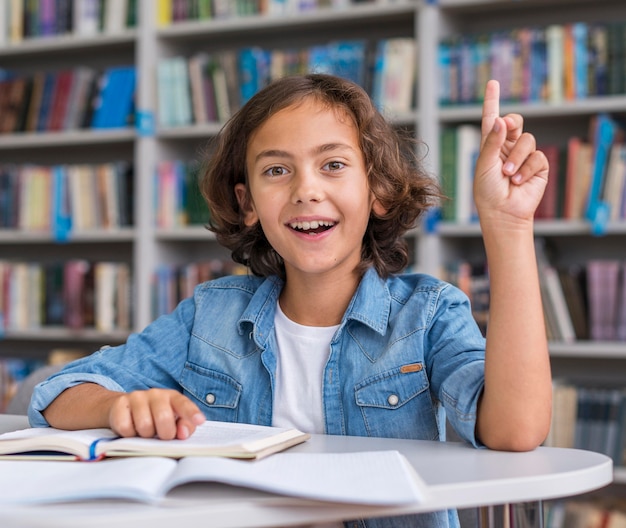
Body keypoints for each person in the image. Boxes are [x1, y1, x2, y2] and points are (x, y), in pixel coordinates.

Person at [29, 74, 552, 527]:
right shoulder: (211, 316)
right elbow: (58, 393)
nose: (306, 190)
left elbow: (516, 430)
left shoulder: (428, 314)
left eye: (333, 165)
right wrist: (120, 406)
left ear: (380, 191)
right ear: (248, 203)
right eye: (277, 170)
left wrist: (507, 227)